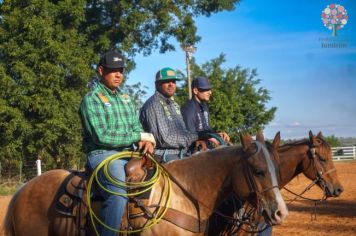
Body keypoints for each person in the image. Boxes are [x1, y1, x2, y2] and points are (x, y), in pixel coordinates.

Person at [79, 50, 155, 236]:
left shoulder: (126, 99)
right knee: (117, 195)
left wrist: (146, 143)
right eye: (113, 70)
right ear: (101, 70)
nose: (118, 74)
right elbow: (102, 136)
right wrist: (138, 137)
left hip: (129, 154)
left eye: (121, 70)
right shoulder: (92, 99)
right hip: (103, 155)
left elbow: (137, 128)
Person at [139, 67, 207, 162]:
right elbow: (165, 140)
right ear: (157, 84)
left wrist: (197, 139)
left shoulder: (174, 104)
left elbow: (183, 132)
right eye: (167, 81)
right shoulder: (154, 104)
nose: (171, 84)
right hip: (163, 155)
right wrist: (198, 136)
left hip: (181, 152)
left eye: (173, 81)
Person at [181, 77, 230, 146]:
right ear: (195, 91)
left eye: (210, 89)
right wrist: (211, 138)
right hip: (193, 152)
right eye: (206, 90)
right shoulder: (188, 108)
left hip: (207, 149)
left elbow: (208, 130)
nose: (210, 92)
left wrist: (218, 135)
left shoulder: (204, 106)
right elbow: (190, 135)